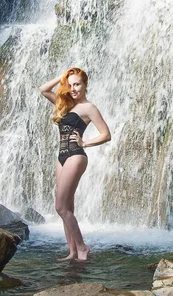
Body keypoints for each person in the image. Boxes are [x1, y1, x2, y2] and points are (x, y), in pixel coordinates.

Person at [38, 67, 111, 262]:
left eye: (77, 84)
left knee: (60, 207)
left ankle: (82, 247)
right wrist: (62, 78)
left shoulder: (89, 108)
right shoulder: (64, 104)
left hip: (76, 155)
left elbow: (106, 134)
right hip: (61, 157)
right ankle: (72, 251)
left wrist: (85, 143)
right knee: (67, 207)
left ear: (85, 85)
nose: (73, 88)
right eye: (70, 85)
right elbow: (43, 90)